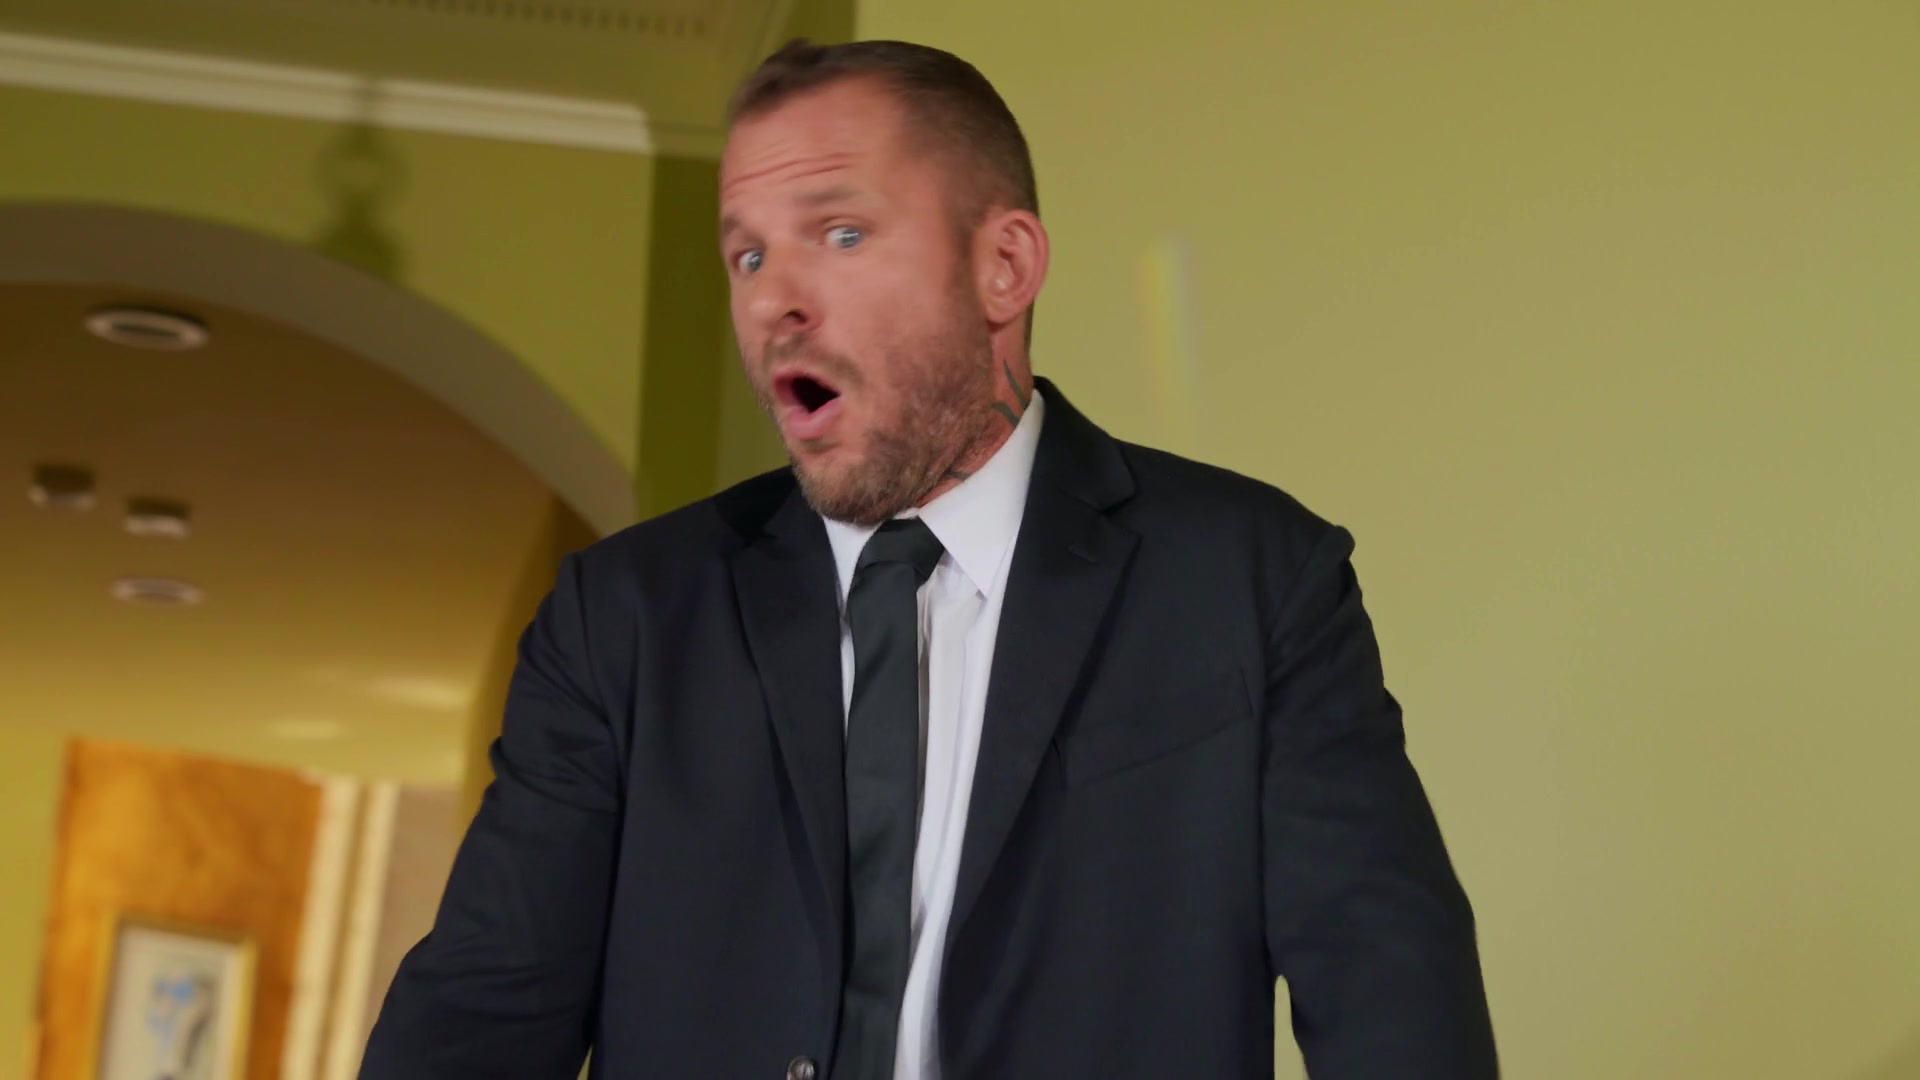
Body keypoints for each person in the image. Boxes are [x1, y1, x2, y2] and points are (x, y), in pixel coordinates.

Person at [360, 38, 1497, 1080]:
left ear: (1004, 265)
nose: (774, 300)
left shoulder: (1253, 581)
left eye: (841, 235)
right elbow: (479, 1016)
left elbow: (1394, 994)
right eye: (747, 254)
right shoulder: (622, 619)